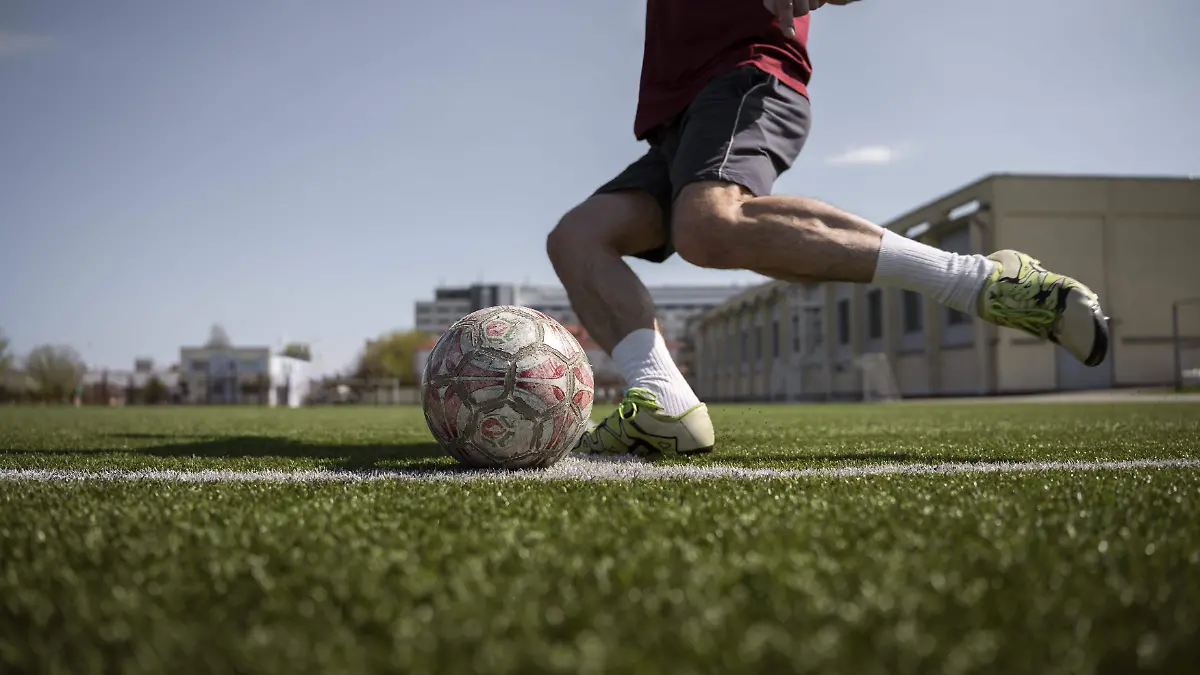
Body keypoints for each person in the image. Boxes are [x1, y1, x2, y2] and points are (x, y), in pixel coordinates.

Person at [547, 0, 1109, 456]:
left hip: (745, 73)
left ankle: (982, 279)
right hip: (678, 118)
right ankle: (663, 404)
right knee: (578, 238)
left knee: (709, 224)